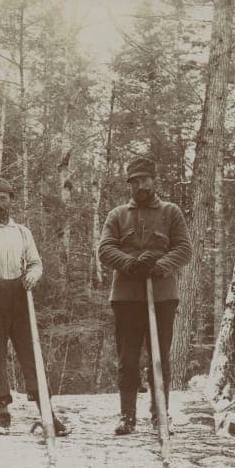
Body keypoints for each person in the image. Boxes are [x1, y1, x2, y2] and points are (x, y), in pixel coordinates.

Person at [0, 177, 70, 437]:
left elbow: (35, 263)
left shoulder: (23, 232)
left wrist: (33, 275)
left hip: (21, 300)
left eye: (3, 198)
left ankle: (47, 414)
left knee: (31, 355)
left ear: (11, 200)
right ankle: (2, 414)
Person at [98, 156, 191, 435]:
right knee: (127, 359)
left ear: (154, 180)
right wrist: (130, 263)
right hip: (126, 297)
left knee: (159, 357)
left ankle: (160, 413)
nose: (141, 186)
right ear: (129, 185)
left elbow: (184, 249)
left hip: (162, 296)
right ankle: (127, 416)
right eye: (135, 181)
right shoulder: (117, 215)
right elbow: (105, 249)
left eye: (145, 180)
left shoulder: (171, 212)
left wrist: (159, 265)